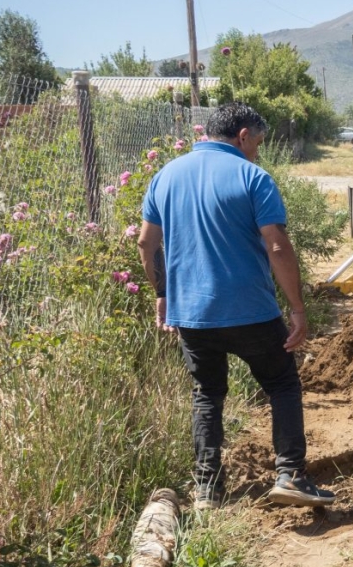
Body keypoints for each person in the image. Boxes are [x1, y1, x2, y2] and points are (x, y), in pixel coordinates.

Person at [137, 102, 335, 511]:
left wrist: (162, 293)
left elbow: (146, 243)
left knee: (207, 393)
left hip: (191, 313)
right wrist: (298, 309)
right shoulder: (252, 176)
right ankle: (291, 475)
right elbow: (277, 246)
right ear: (243, 135)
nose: (258, 152)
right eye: (258, 143)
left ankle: (207, 489)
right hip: (251, 310)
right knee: (281, 383)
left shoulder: (166, 175)